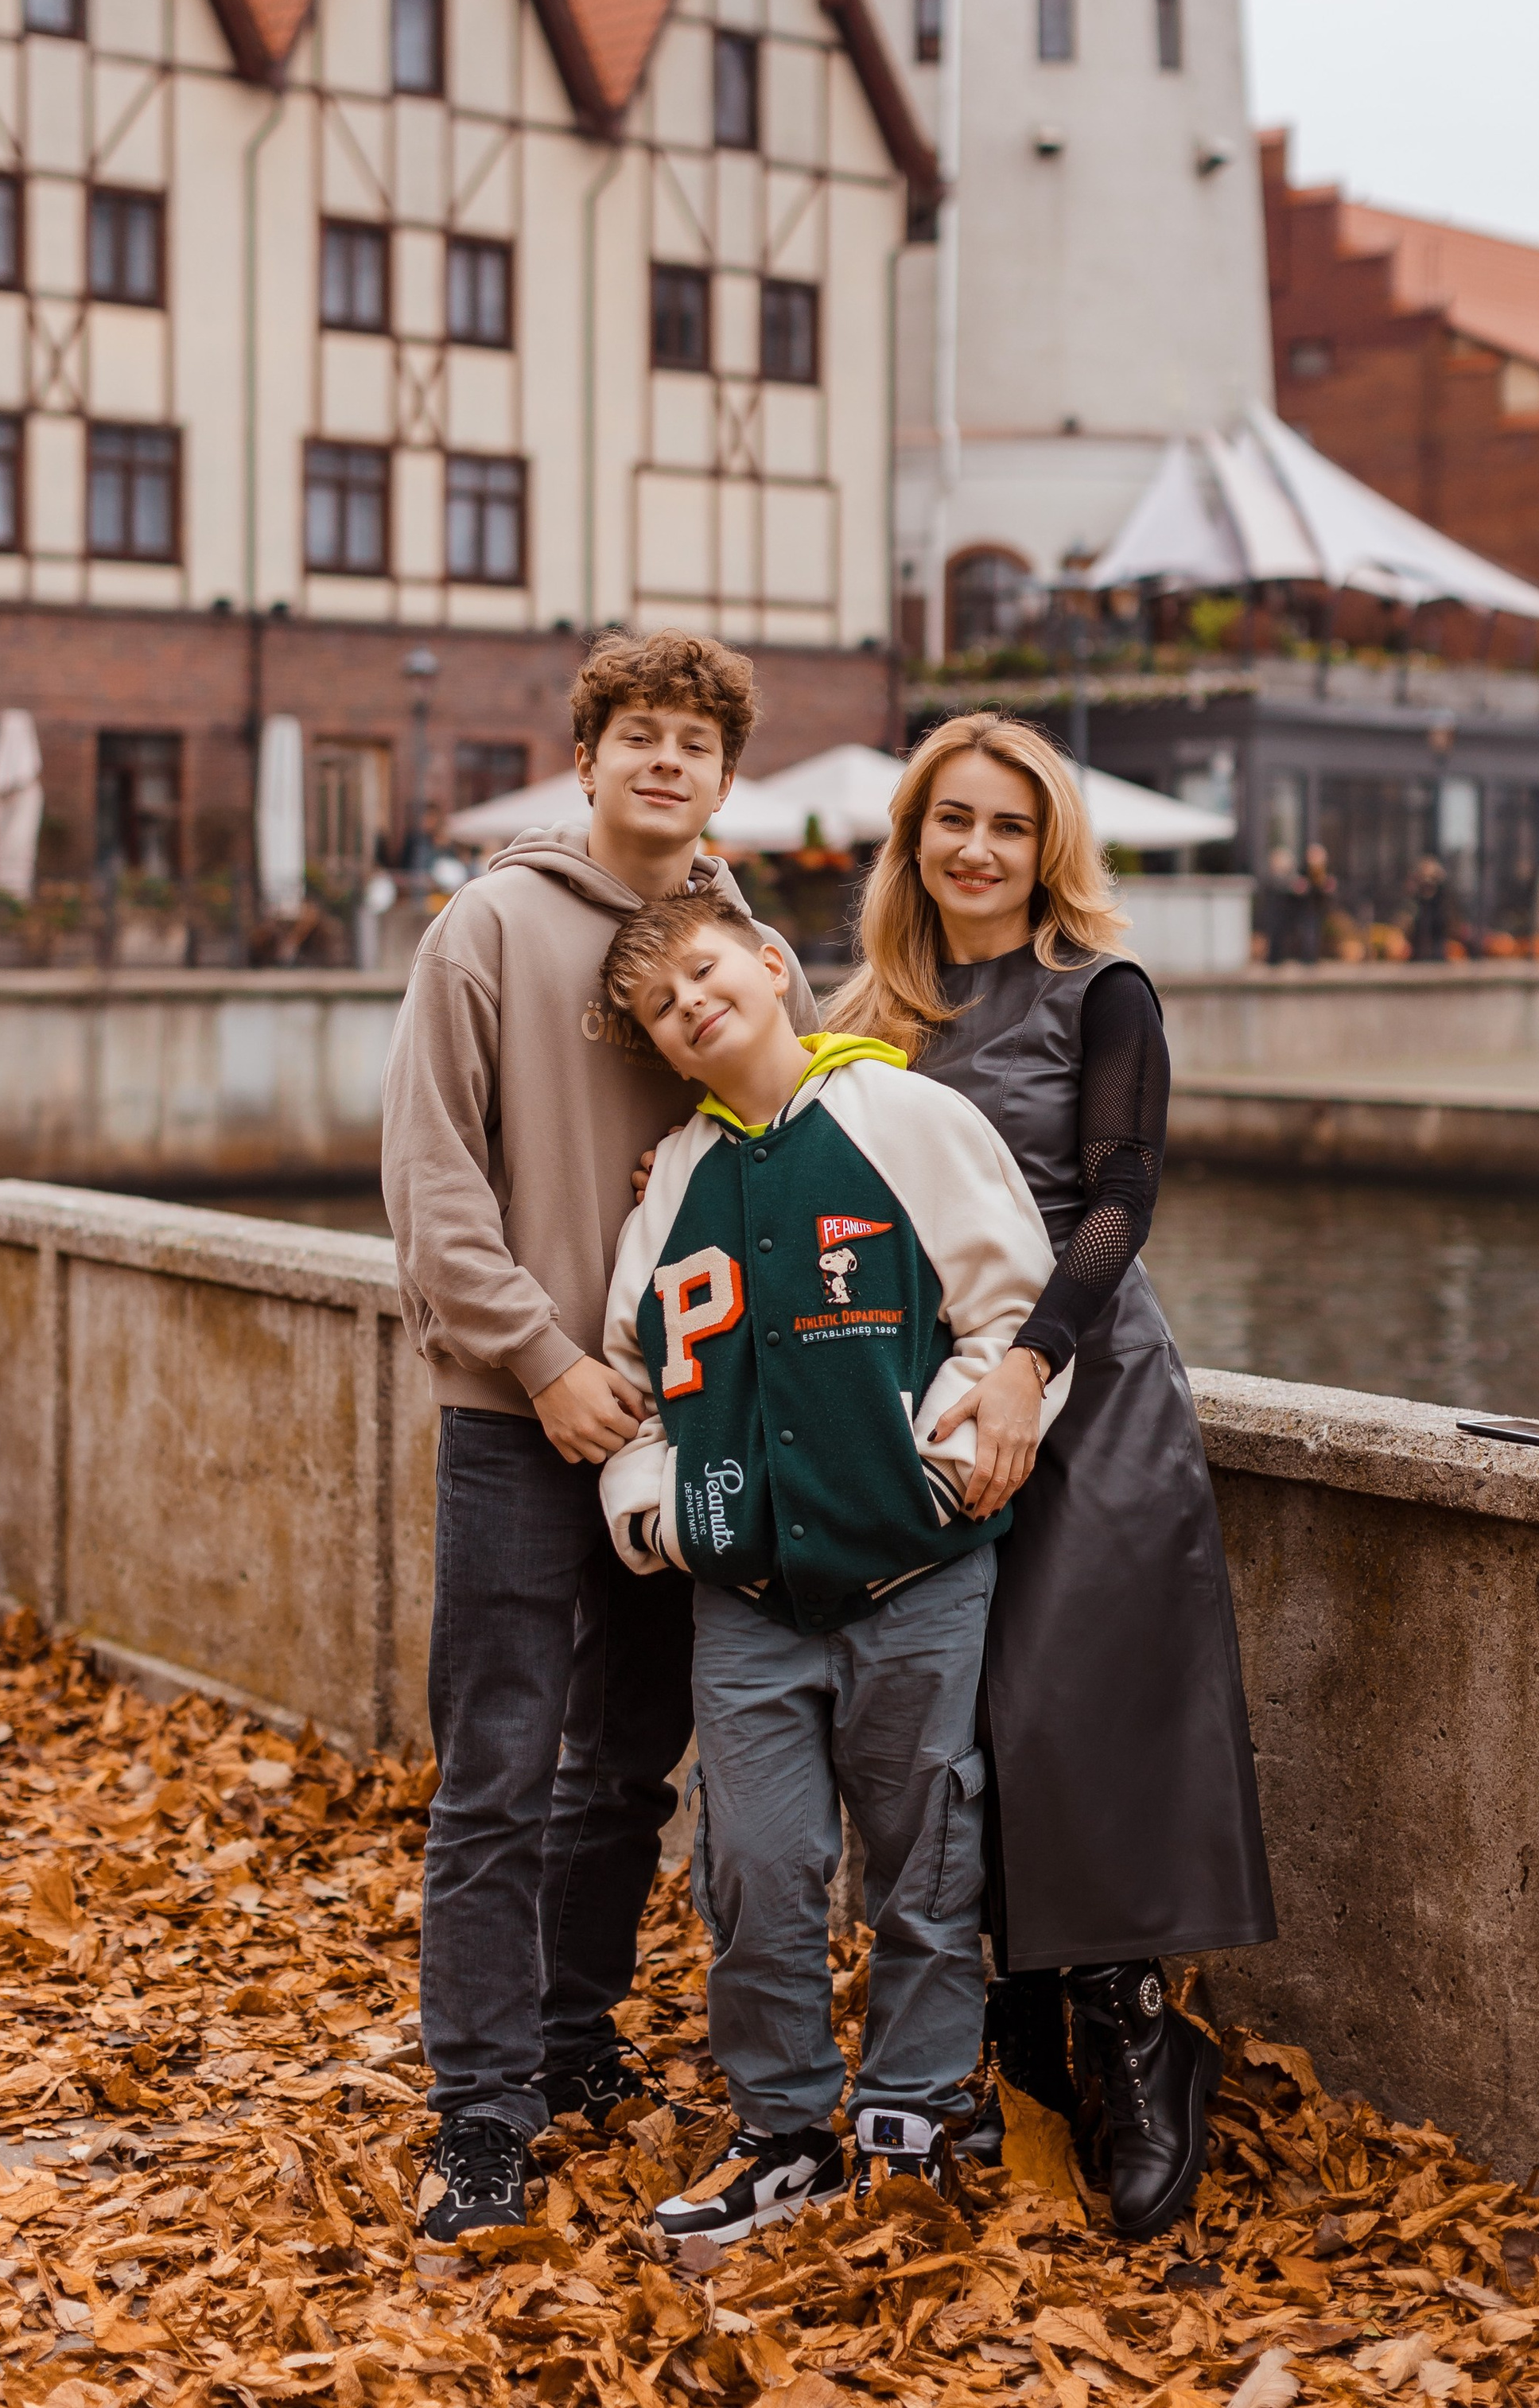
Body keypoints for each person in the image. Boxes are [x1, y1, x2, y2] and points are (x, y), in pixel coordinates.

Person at [380, 633, 815, 2235]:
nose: (664, 761)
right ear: (587, 757)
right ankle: (478, 2113)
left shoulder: (750, 946)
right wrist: (544, 1359)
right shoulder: (486, 926)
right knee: (495, 1772)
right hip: (517, 1413)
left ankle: (568, 2039)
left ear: (723, 772)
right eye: (637, 733)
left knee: (629, 1764)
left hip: (682, 1425)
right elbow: (430, 1188)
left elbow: (798, 1146)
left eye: (695, 741)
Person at [830, 712, 1273, 2241]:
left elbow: (1119, 1200)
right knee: (961, 1722)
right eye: (948, 820)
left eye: (1006, 826)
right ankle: (1013, 2043)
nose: (974, 849)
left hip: (1084, 1389)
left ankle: (1139, 2039)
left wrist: (1030, 1363)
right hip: (931, 1409)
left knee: (1080, 1713)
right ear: (912, 839)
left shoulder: (1104, 990)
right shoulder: (873, 1013)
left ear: (1048, 848)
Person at [593, 886, 1067, 2246]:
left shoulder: (907, 1121)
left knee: (929, 1859)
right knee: (753, 1867)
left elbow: (1015, 1312)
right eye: (660, 1008)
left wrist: (945, 1462)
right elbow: (635, 1385)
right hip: (744, 1599)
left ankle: (914, 2119)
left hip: (918, 1578)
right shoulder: (675, 1180)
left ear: (769, 961)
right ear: (665, 1050)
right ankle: (784, 2127)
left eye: (701, 970)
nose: (690, 1003)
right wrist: (662, 1514)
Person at [1408, 854, 1449, 964]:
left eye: (1432, 877)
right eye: (1424, 877)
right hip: (1415, 957)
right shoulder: (1413, 902)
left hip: (1439, 956)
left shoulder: (1444, 902)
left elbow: (1452, 926)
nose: (1427, 881)